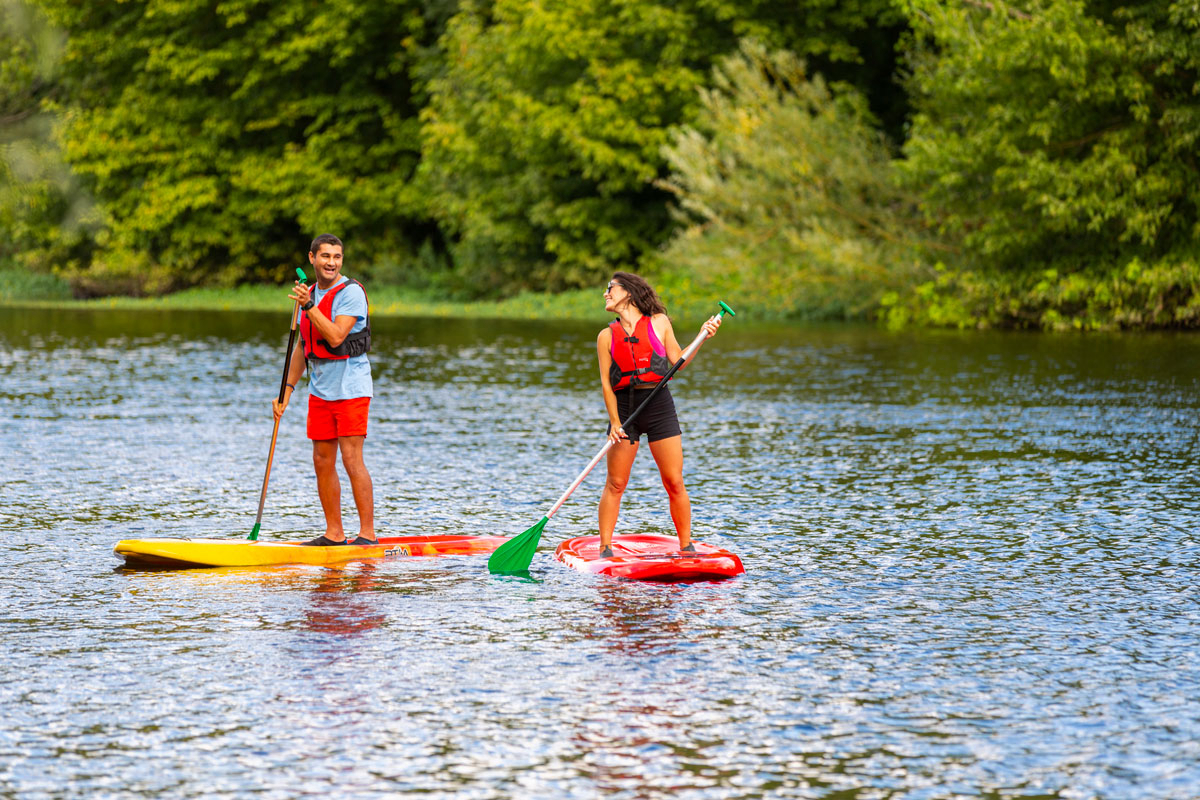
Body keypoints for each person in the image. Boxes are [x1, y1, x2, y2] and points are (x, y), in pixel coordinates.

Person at [596, 271, 721, 557]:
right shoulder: (605, 336)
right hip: (625, 409)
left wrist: (703, 336)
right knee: (615, 483)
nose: (606, 293)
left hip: (658, 404)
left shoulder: (659, 323)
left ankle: (686, 546)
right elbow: (606, 383)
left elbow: (678, 362)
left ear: (628, 292)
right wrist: (615, 422)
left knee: (674, 480)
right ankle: (605, 548)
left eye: (610, 288)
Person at [272, 233, 377, 546]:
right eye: (326, 256)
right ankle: (334, 534)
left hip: (352, 389)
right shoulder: (310, 294)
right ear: (312, 259)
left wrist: (309, 306)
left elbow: (333, 336)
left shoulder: (351, 293)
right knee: (321, 459)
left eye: (337, 257)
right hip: (320, 391)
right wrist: (286, 393)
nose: (332, 262)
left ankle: (367, 535)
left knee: (351, 459)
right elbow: (304, 347)